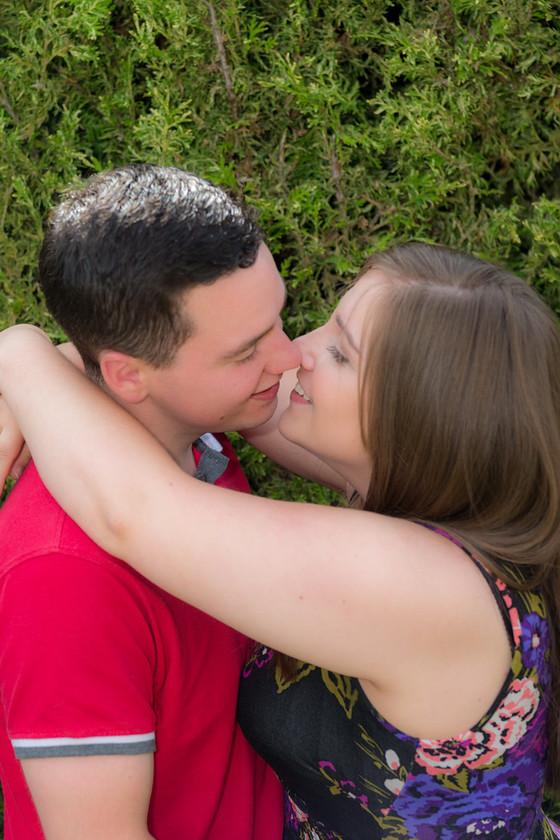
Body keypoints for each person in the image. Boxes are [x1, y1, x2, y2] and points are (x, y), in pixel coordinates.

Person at [0, 242, 559, 839]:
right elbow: (226, 391)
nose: (297, 352)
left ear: (422, 420)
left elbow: (134, 510)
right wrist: (112, 367)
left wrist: (18, 351)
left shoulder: (420, 586)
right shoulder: (464, 505)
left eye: (341, 353)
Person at [0, 163, 308, 840]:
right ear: (127, 375)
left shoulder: (203, 445)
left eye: (278, 320)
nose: (289, 358)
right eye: (246, 350)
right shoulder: (62, 578)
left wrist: (23, 351)